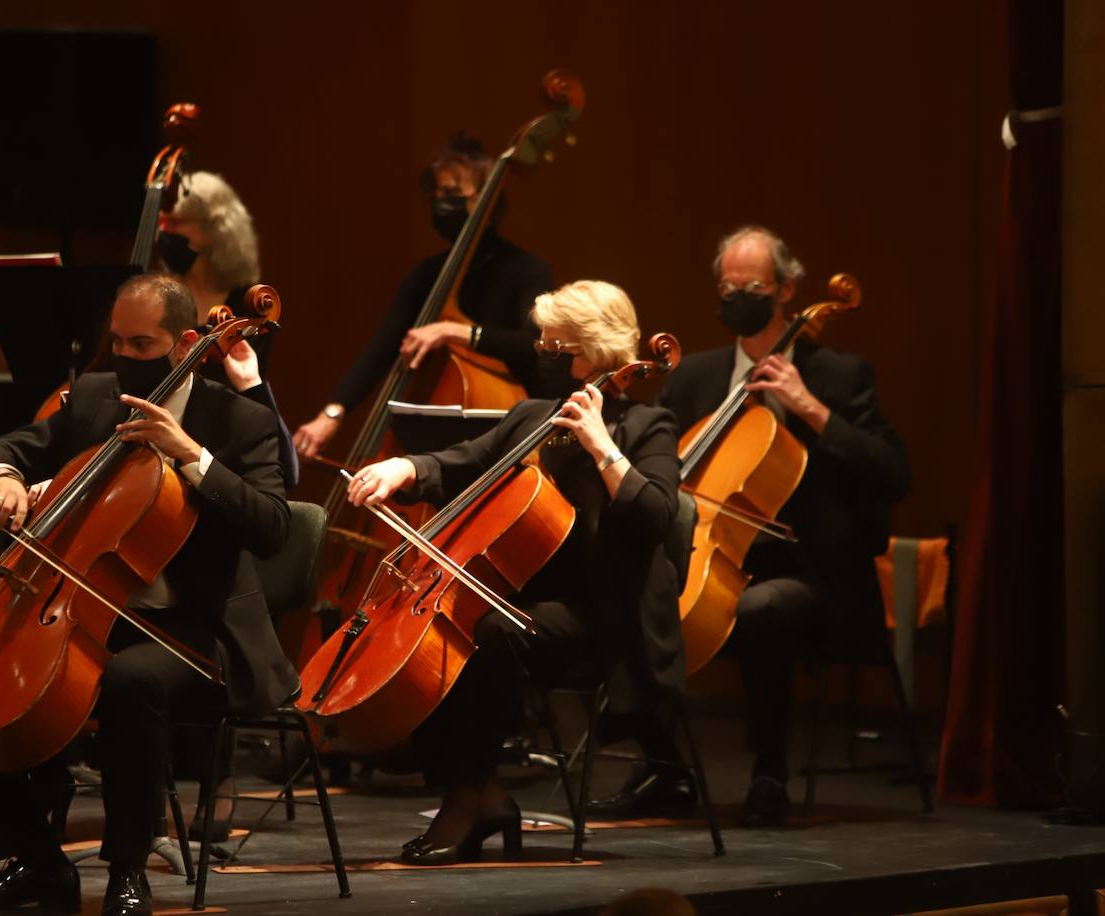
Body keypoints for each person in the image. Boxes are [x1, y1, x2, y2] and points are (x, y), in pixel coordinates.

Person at [0, 273, 294, 916]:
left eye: (141, 342)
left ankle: (128, 869)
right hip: (81, 613)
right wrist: (8, 476)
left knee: (130, 681)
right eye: (118, 341)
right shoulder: (99, 396)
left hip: (192, 633)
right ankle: (38, 862)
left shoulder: (239, 420)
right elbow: (7, 444)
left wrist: (190, 454)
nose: (126, 356)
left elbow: (273, 526)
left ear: (186, 341)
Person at [345, 280, 684, 863]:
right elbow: (464, 461)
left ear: (601, 354)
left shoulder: (647, 427)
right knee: (448, 632)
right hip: (525, 603)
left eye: (561, 352)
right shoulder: (533, 416)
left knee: (491, 633)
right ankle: (475, 792)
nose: (545, 361)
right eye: (544, 348)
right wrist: (402, 466)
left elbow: (657, 515)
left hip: (604, 616)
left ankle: (470, 799)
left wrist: (603, 448)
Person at [594, 225, 910, 828]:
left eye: (754, 285)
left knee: (764, 608)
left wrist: (809, 408)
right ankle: (664, 766)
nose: (737, 295)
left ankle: (769, 773)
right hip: (715, 556)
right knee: (632, 588)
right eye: (726, 286)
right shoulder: (696, 378)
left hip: (815, 574)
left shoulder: (840, 376)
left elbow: (894, 474)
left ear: (788, 289)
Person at [293, 133, 569, 461]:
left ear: (486, 198)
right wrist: (332, 414)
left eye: (452, 193)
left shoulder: (527, 270)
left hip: (511, 434)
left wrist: (457, 333)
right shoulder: (428, 274)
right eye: (437, 194)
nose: (441, 202)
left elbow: (536, 345)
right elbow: (383, 346)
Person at [156, 170, 297, 486]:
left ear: (215, 231)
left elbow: (246, 400)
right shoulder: (158, 295)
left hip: (218, 442)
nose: (163, 232)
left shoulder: (249, 306)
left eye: (176, 223)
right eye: (162, 223)